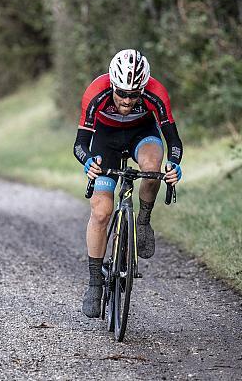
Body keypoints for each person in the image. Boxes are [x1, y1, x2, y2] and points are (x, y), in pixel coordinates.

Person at [73, 49, 183, 318]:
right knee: (100, 211)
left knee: (151, 168)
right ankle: (95, 284)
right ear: (112, 84)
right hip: (105, 138)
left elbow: (174, 141)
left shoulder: (156, 93)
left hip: (141, 135)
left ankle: (143, 220)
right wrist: (88, 162)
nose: (127, 100)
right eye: (121, 93)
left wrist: (174, 164)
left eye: (134, 95)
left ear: (143, 88)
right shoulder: (96, 92)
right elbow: (79, 145)